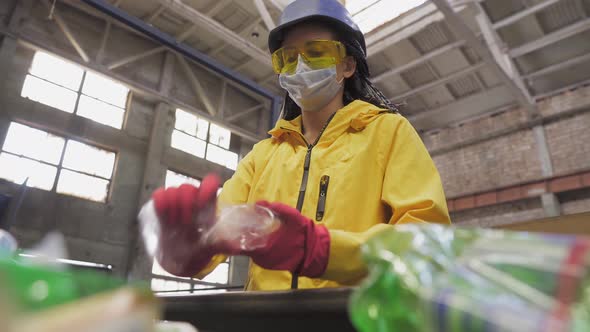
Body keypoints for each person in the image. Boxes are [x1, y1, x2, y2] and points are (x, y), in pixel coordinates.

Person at [150, 0, 451, 291]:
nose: (301, 66)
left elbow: (425, 240)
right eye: (288, 57)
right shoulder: (263, 155)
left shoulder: (388, 132)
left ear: (347, 66)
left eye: (318, 52)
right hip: (266, 319)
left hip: (348, 318)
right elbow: (220, 229)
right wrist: (192, 247)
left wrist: (323, 251)